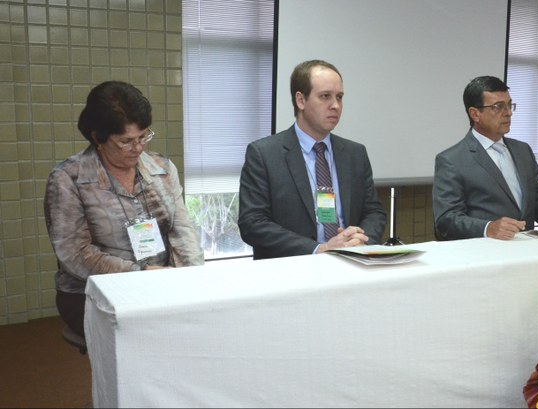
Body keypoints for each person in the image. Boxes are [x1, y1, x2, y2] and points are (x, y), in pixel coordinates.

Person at [45, 81, 204, 338]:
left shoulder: (161, 169)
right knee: (147, 333)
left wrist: (190, 279)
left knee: (194, 324)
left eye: (143, 137)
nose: (139, 148)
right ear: (98, 137)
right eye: (126, 142)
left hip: (159, 281)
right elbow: (76, 254)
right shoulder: (69, 178)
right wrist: (140, 275)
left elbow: (181, 229)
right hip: (92, 290)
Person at [238, 60, 386, 259]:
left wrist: (359, 239)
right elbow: (252, 223)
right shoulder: (264, 154)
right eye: (325, 96)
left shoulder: (355, 154)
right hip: (290, 272)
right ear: (301, 100)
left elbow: (374, 212)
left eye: (339, 97)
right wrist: (319, 248)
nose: (335, 105)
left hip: (351, 265)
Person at [433, 75, 538, 240]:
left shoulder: (523, 150)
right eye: (498, 107)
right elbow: (447, 219)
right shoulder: (452, 160)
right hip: (484, 253)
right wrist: (487, 228)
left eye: (509, 105)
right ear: (475, 114)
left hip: (527, 247)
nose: (508, 113)